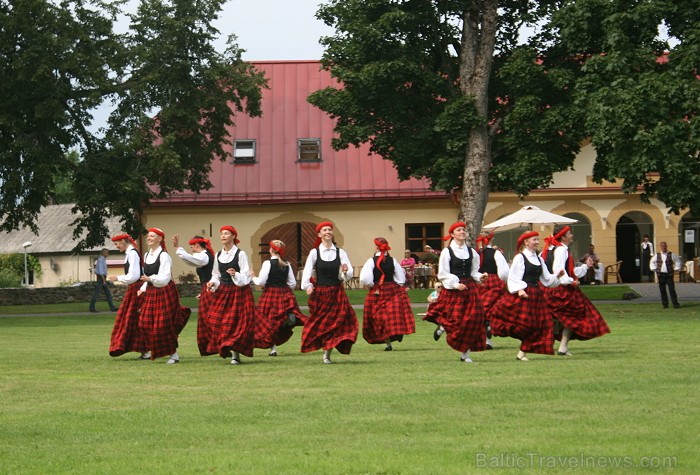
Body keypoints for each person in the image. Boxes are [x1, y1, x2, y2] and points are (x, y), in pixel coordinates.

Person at [489, 231, 564, 361]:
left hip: (536, 294)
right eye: (534, 239)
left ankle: (522, 353)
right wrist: (520, 290)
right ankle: (494, 332)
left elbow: (547, 280)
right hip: (523, 294)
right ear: (526, 242)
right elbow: (513, 277)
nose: (537, 242)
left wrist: (557, 277)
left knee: (540, 325)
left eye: (537, 239)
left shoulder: (539, 259)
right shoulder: (520, 258)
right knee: (523, 324)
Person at [540, 225, 611, 356]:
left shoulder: (550, 249)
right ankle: (560, 346)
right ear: (563, 237)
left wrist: (585, 266)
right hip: (561, 289)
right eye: (569, 234)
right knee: (574, 315)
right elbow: (559, 270)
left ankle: (561, 346)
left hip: (549, 288)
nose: (572, 236)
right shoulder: (561, 250)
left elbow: (568, 271)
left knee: (560, 317)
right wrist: (569, 281)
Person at [423, 221, 487, 363]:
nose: (462, 232)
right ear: (452, 234)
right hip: (453, 289)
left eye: (463, 230)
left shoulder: (472, 251)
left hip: (469, 287)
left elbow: (474, 271)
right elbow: (443, 274)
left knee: (473, 319)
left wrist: (480, 277)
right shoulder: (447, 252)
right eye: (459, 230)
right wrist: (456, 285)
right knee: (456, 320)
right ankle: (443, 326)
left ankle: (466, 354)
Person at [300, 221, 358, 364]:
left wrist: (344, 273)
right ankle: (324, 348)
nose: (328, 232)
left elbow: (348, 273)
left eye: (330, 230)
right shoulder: (314, 253)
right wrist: (307, 285)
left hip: (337, 291)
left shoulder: (340, 252)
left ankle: (327, 353)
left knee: (337, 323)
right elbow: (307, 271)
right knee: (322, 323)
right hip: (320, 292)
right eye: (325, 230)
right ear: (319, 234)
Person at [138, 228, 191, 364]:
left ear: (159, 239)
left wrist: (150, 280)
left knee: (163, 325)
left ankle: (173, 354)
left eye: (152, 236)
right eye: (148, 236)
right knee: (144, 323)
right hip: (151, 291)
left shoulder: (164, 256)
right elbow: (146, 277)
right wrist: (143, 288)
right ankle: (157, 349)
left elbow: (165, 277)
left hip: (164, 291)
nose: (148, 238)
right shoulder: (146, 255)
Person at [206, 225, 257, 364]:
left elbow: (246, 275)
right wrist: (212, 283)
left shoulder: (240, 254)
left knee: (236, 322)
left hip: (238, 291)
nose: (223, 236)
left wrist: (235, 274)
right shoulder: (218, 255)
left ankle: (235, 354)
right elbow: (215, 275)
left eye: (226, 233)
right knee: (215, 320)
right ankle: (226, 346)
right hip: (223, 291)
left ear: (233, 236)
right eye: (222, 233)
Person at [359, 237, 415, 351]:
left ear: (376, 247)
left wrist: (371, 285)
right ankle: (395, 335)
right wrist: (397, 285)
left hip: (377, 290)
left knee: (379, 317)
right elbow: (400, 278)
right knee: (391, 315)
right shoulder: (393, 260)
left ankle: (389, 342)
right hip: (392, 289)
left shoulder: (371, 261)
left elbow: (365, 278)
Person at [251, 240, 306, 357]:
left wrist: (253, 278)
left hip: (270, 293)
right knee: (278, 320)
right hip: (284, 292)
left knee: (268, 320)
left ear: (271, 250)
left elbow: (261, 281)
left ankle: (273, 348)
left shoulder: (268, 263)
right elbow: (292, 283)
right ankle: (288, 319)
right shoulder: (286, 264)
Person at [174, 234, 216, 356]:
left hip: (210, 289)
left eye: (192, 247)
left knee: (210, 318)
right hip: (206, 289)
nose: (191, 250)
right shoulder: (204, 256)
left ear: (197, 245)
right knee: (206, 318)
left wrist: (178, 248)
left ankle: (215, 345)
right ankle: (211, 346)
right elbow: (190, 260)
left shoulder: (204, 256)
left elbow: (192, 260)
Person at [108, 233, 147, 359]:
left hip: (137, 289)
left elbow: (134, 275)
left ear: (124, 241)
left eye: (117, 243)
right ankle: (144, 350)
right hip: (134, 288)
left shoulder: (133, 254)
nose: (117, 246)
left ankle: (146, 350)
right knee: (132, 319)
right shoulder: (130, 254)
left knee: (134, 319)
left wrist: (118, 277)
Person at [475, 230, 509, 349]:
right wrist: (503, 281)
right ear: (491, 240)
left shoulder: (475, 253)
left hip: (479, 282)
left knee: (481, 309)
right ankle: (489, 328)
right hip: (494, 281)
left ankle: (487, 340)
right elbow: (504, 272)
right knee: (494, 308)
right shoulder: (496, 253)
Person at [649, 241, 681, 309]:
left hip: (669, 275)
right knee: (662, 290)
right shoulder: (657, 255)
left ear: (667, 246)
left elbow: (677, 261)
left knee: (672, 290)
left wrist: (676, 269)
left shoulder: (671, 254)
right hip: (661, 275)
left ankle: (675, 304)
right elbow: (652, 262)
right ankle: (665, 305)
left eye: (665, 246)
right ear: (660, 247)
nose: (664, 247)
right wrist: (655, 269)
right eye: (663, 246)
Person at [90, 248, 118, 313]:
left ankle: (112, 307)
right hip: (101, 278)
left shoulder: (103, 260)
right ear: (103, 253)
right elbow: (101, 271)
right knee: (96, 293)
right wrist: (104, 280)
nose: (108, 254)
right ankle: (92, 307)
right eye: (107, 253)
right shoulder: (101, 260)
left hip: (102, 278)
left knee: (108, 293)